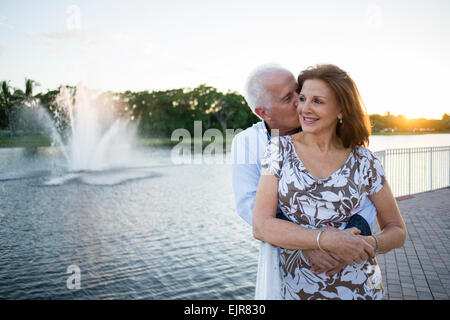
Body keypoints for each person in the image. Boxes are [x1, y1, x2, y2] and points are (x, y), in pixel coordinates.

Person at [252, 64, 407, 300]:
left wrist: (365, 245)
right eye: (302, 98)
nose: (304, 108)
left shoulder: (365, 160)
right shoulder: (278, 150)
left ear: (341, 110)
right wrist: (324, 240)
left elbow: (397, 230)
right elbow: (261, 226)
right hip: (299, 291)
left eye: (318, 101)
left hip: (362, 289)